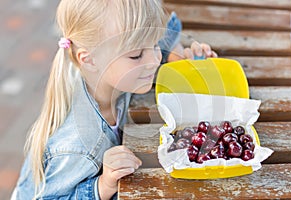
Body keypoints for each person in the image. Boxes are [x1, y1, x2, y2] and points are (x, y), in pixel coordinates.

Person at [12, 0, 217, 199]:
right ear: (89, 60)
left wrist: (178, 58)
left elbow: (158, 37)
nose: (154, 60)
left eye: (154, 46)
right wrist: (102, 186)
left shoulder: (102, 67)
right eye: (136, 56)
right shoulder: (77, 144)